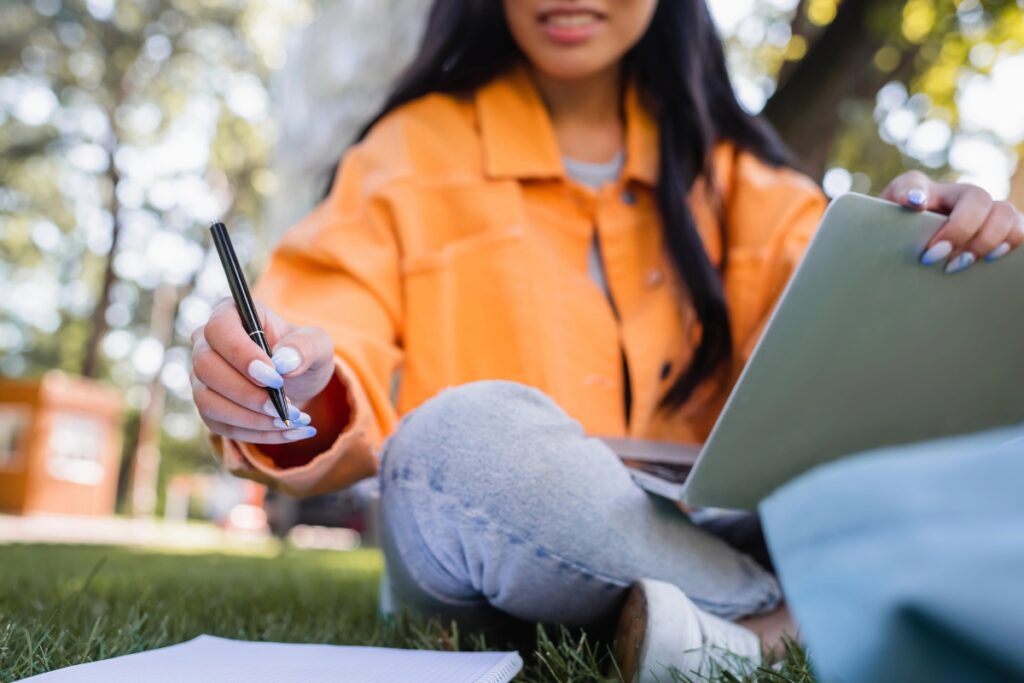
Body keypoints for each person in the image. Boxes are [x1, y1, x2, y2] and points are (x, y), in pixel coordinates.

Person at [189, 1, 1023, 679]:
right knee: (454, 445)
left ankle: (724, 628)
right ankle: (796, 617)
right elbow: (328, 327)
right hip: (490, 542)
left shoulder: (744, 178)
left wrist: (927, 262)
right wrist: (296, 383)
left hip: (710, 526)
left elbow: (839, 359)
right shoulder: (409, 152)